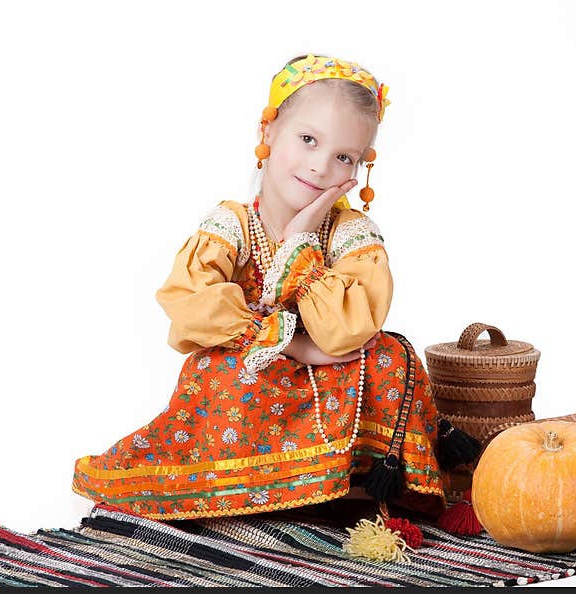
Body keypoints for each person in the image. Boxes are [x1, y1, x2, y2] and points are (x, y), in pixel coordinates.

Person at [71, 53, 477, 525]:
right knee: (215, 373)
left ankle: (352, 484)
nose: (321, 167)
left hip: (333, 370)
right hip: (256, 365)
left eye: (343, 156)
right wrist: (291, 343)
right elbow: (191, 304)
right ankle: (246, 487)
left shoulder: (350, 234)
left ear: (361, 166)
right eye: (308, 140)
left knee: (391, 357)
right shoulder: (232, 224)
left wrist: (303, 236)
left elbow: (347, 331)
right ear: (268, 133)